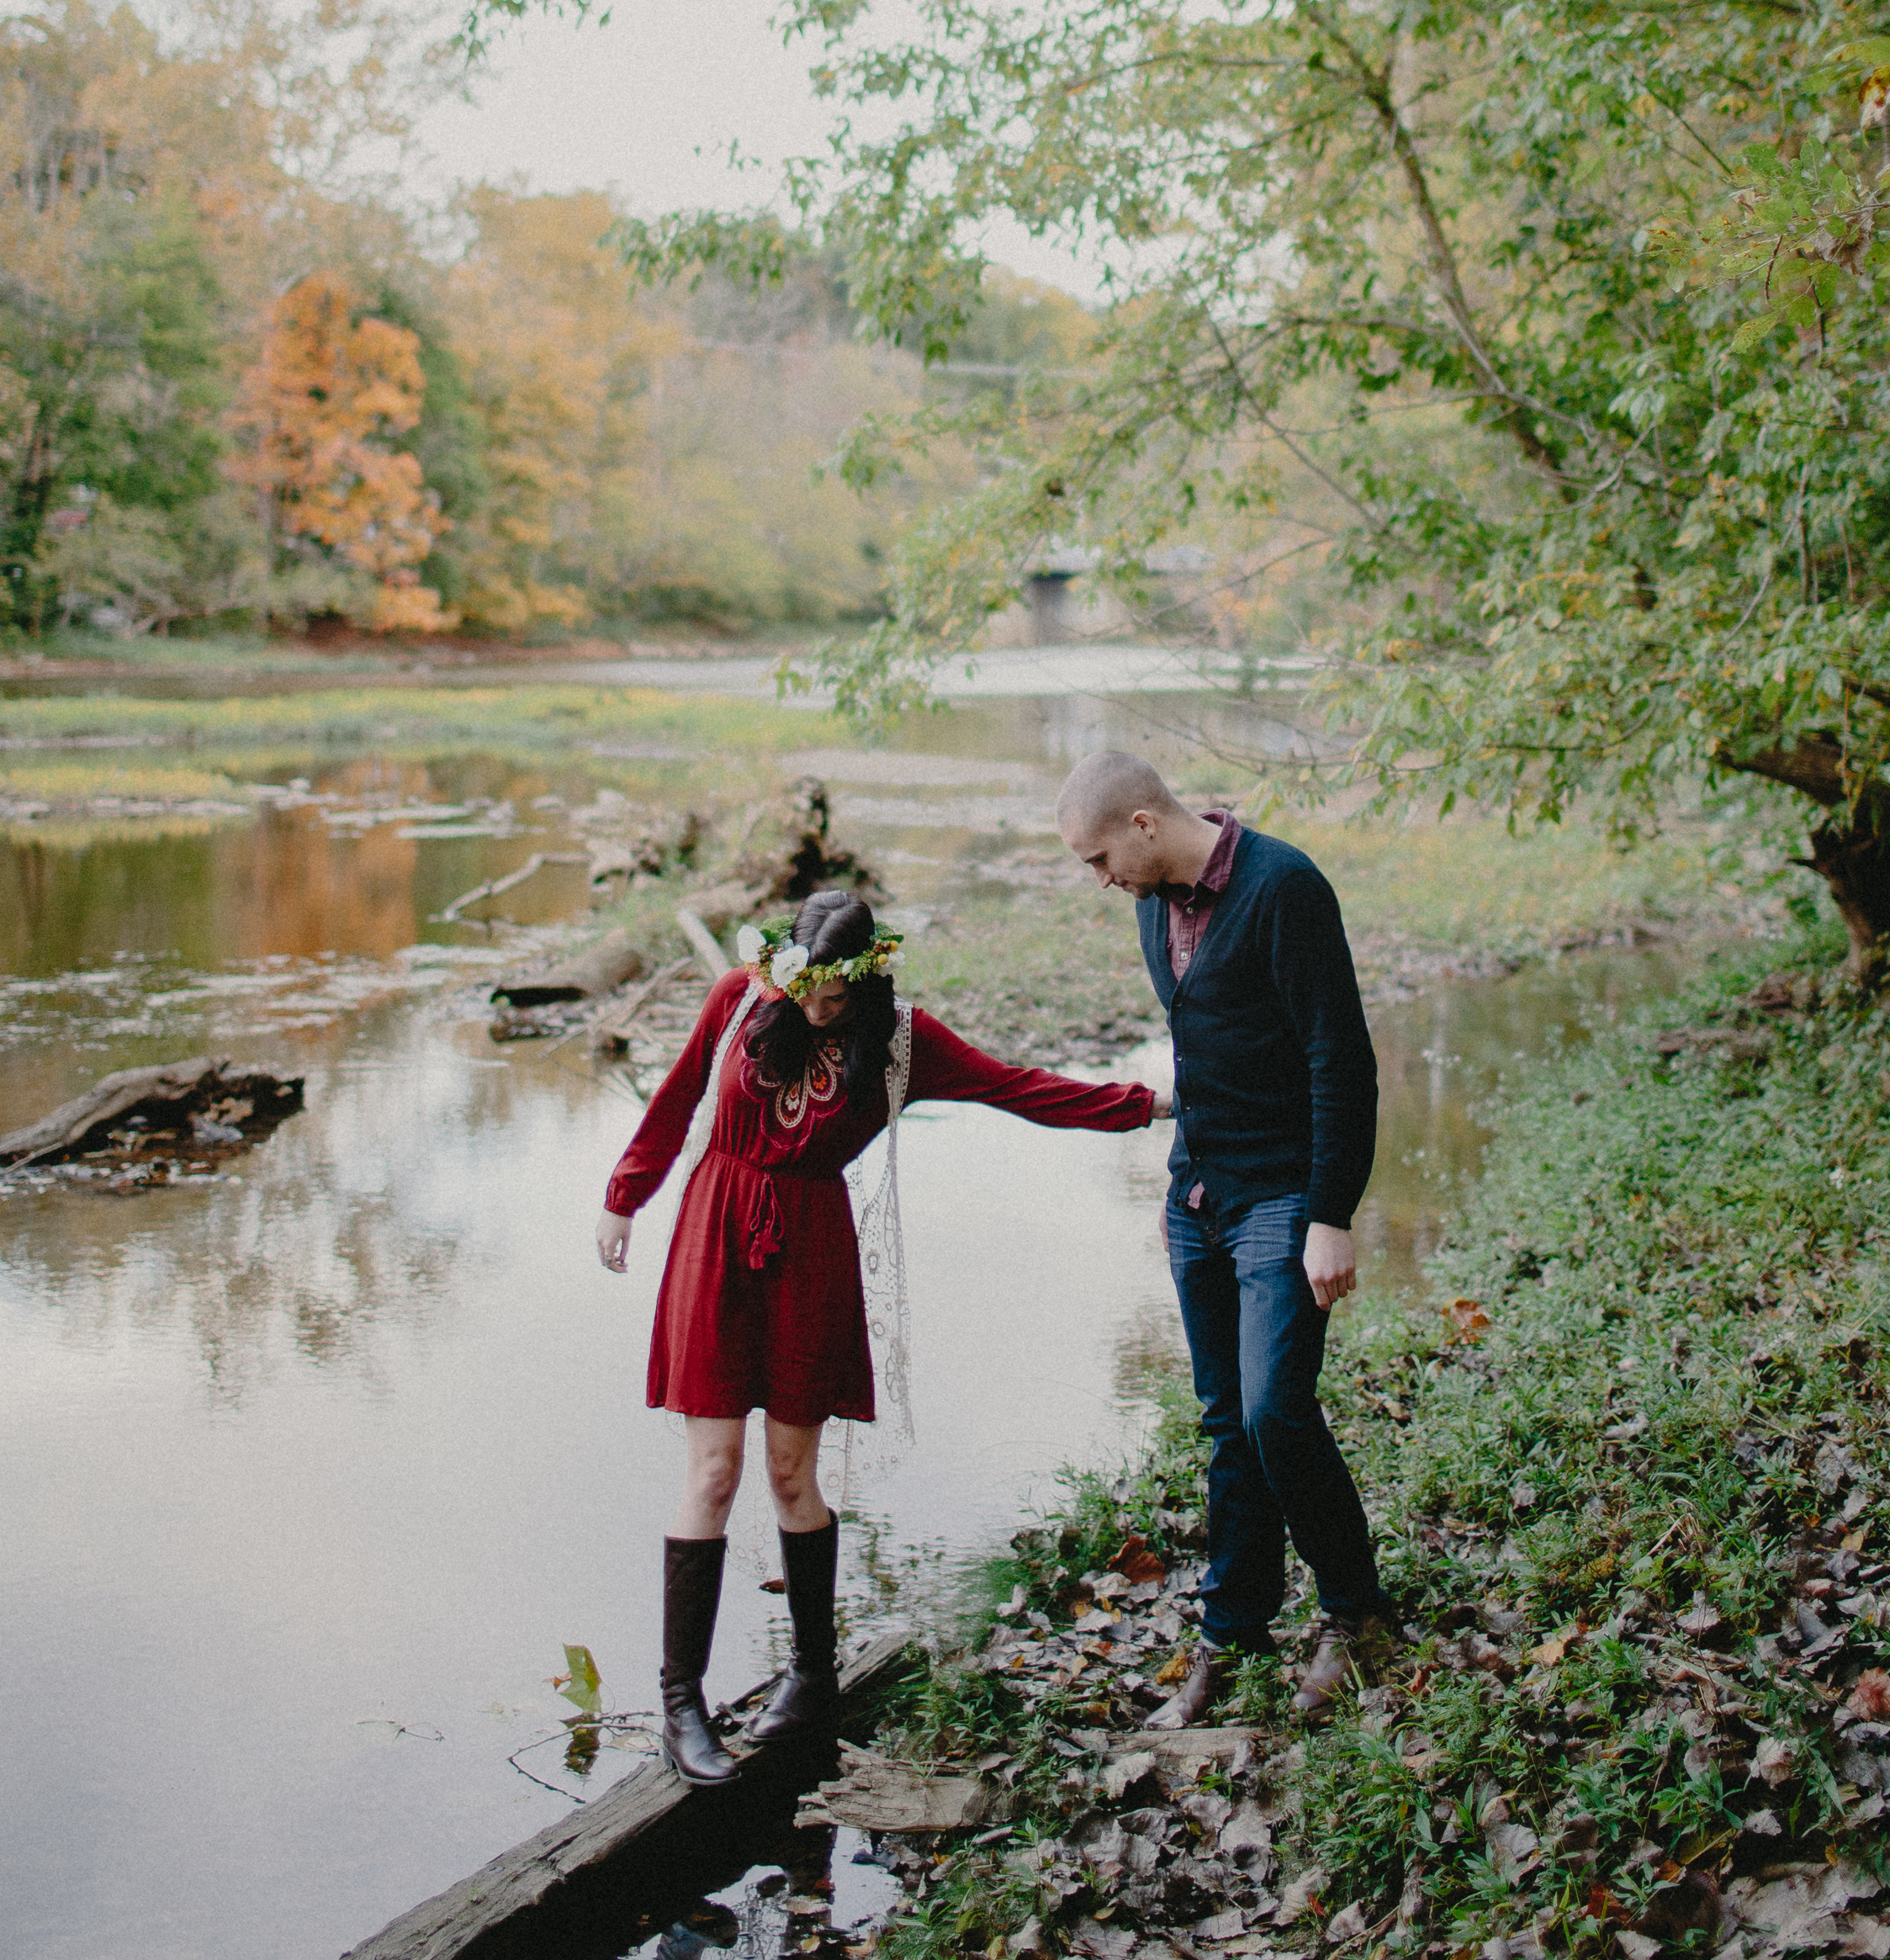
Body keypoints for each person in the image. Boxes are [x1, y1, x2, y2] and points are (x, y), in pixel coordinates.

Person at [597, 885, 1161, 1782]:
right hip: (715, 1233)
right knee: (711, 1470)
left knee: (790, 1472)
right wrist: (625, 1196)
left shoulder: (903, 1043)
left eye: (834, 999)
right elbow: (675, 1103)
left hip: (811, 1250)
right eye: (805, 992)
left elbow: (1018, 1088)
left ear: (868, 984)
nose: (814, 1011)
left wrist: (1147, 1108)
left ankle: (812, 1677)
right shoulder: (740, 998)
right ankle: (681, 1705)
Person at [1056, 750, 1400, 1722]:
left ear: (1143, 825)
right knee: (1224, 1426)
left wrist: (1331, 1212)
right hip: (1195, 1196)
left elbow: (1342, 1058)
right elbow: (1208, 1038)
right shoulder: (1150, 901)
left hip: (1284, 1200)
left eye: (1097, 859)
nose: (1099, 882)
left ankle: (1355, 1612)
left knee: (1274, 1412)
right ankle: (1231, 1634)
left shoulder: (1283, 887)